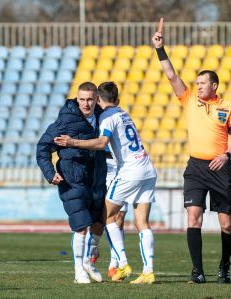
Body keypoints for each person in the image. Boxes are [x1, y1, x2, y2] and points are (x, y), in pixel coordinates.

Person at [152, 31, 231, 284]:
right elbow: (171, 75)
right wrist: (160, 49)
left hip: (220, 167)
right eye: (198, 82)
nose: (199, 85)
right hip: (196, 167)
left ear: (214, 85)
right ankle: (198, 271)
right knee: (193, 217)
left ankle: (225, 265)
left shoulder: (228, 106)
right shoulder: (189, 99)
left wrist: (227, 155)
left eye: (203, 82)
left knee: (226, 224)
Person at [54, 81, 157, 284]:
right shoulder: (124, 113)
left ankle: (122, 262)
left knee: (106, 216)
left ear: (98, 100)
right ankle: (148, 271)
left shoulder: (107, 117)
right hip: (147, 168)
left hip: (130, 171)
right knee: (142, 222)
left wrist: (73, 142)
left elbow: (102, 143)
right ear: (117, 99)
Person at [36, 82, 107, 284]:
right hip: (71, 179)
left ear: (96, 100)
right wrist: (50, 173)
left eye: (90, 100)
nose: (85, 104)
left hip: (95, 179)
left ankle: (88, 262)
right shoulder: (66, 120)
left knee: (98, 225)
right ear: (77, 99)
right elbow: (42, 147)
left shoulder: (103, 118)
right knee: (81, 226)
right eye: (82, 99)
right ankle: (79, 272)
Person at [103, 147, 128, 279]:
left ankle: (114, 264)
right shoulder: (99, 125)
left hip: (122, 166)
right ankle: (90, 253)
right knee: (104, 218)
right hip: (105, 166)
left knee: (119, 219)